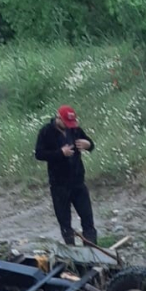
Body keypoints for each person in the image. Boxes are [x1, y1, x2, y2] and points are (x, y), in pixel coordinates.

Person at [35, 105, 97, 246]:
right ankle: (72, 251)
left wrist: (87, 144)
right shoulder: (46, 132)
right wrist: (60, 153)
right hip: (59, 184)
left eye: (71, 123)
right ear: (58, 118)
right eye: (65, 123)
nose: (68, 126)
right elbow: (39, 154)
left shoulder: (75, 130)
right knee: (65, 221)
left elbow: (90, 144)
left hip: (78, 182)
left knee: (87, 217)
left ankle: (92, 251)